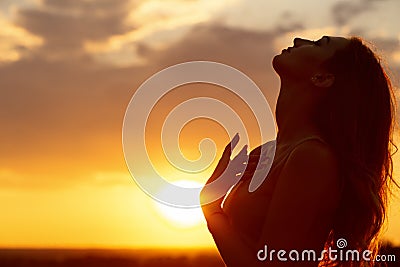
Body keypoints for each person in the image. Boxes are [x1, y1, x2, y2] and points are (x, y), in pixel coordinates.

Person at [200, 36, 398, 267]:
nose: (299, 39)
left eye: (318, 44)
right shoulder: (269, 152)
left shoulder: (312, 158)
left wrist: (212, 211)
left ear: (322, 78)